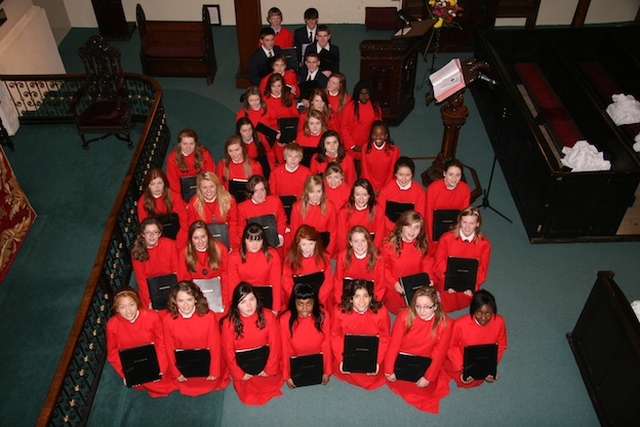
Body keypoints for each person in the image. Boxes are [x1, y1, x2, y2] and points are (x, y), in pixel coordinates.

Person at [384, 286, 452, 413]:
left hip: (425, 359)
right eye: (418, 306)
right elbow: (394, 345)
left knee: (426, 389)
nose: (421, 311)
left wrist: (428, 377)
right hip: (404, 357)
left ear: (435, 306)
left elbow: (439, 354)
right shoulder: (404, 316)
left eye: (427, 307)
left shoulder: (445, 324)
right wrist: (388, 370)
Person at [106, 286, 176, 397]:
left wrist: (161, 367)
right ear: (117, 309)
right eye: (122, 307)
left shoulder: (152, 317)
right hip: (133, 364)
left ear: (137, 303)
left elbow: (163, 341)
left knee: (162, 380)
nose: (128, 311)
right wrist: (125, 373)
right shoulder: (112, 325)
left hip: (155, 359)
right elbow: (112, 352)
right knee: (144, 382)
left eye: (131, 305)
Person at [162, 281, 229, 396]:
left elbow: (215, 345)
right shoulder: (168, 320)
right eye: (181, 301)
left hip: (206, 362)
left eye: (189, 300)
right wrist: (177, 373)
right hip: (183, 364)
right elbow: (169, 348)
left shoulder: (209, 316)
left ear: (196, 299)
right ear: (175, 301)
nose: (185, 305)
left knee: (211, 381)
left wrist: (214, 371)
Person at [221, 282, 283, 405]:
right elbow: (228, 352)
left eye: (252, 299)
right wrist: (240, 374)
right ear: (236, 305)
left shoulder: (268, 316)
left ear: (257, 299)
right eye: (243, 302)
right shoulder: (228, 323)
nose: (249, 305)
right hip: (243, 367)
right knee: (248, 394)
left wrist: (268, 369)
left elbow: (275, 345)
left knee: (270, 383)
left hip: (265, 363)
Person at [330, 279, 390, 390]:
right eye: (357, 296)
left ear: (371, 297)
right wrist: (341, 359)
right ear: (351, 299)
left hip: (372, 351)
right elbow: (335, 335)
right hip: (347, 350)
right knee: (344, 369)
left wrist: (377, 361)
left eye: (365, 296)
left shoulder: (381, 312)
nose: (362, 301)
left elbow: (385, 338)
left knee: (373, 375)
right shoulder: (338, 311)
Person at [432, 206, 491, 312]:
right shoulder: (446, 238)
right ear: (460, 221)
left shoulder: (484, 244)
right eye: (464, 222)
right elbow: (438, 263)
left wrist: (473, 284)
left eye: (471, 223)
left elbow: (482, 269)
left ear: (477, 224)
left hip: (468, 284)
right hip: (447, 280)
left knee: (464, 301)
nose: (467, 227)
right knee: (443, 305)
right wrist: (447, 281)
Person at [445, 289, 507, 388]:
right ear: (473, 311)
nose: (483, 318)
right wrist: (462, 368)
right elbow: (452, 348)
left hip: (484, 359)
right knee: (464, 381)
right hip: (462, 361)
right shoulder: (460, 324)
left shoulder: (499, 322)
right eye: (479, 313)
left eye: (488, 314)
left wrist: (491, 366)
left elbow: (501, 345)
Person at [380, 211, 433, 315]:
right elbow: (382, 267)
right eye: (408, 226)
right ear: (401, 226)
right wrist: (393, 283)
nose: (412, 231)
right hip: (396, 285)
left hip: (416, 283)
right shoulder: (388, 244)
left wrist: (429, 277)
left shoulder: (422, 243)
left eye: (417, 227)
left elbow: (426, 262)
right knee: (400, 312)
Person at [280, 283, 332, 388]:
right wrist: (287, 375)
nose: (304, 308)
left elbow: (326, 345)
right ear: (294, 303)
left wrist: (327, 371)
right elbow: (285, 348)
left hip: (318, 359)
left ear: (314, 303)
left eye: (309, 304)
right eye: (300, 304)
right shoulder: (285, 319)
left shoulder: (323, 316)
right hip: (296, 360)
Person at [177, 221, 229, 321]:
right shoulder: (184, 253)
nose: (200, 241)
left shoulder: (221, 249)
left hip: (219, 296)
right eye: (196, 238)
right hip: (196, 297)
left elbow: (226, 278)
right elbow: (184, 281)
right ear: (191, 239)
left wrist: (225, 302)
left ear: (208, 236)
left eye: (203, 237)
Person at [228, 223, 283, 313]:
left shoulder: (272, 255)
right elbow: (233, 285)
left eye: (258, 240)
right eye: (250, 240)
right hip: (243, 299)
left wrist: (275, 308)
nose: (254, 244)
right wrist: (235, 306)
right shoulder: (234, 256)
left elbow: (276, 282)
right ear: (244, 240)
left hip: (265, 297)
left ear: (263, 240)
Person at [131, 217, 180, 309]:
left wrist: (177, 294)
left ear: (159, 234)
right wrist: (149, 300)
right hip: (150, 288)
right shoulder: (137, 251)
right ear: (143, 234)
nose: (152, 236)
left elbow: (177, 271)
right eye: (148, 233)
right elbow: (141, 279)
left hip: (170, 283)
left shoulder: (170, 245)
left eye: (155, 232)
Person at [282, 225, 333, 309]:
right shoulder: (290, 259)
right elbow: (286, 282)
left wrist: (317, 301)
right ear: (298, 244)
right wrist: (300, 301)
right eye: (304, 244)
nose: (308, 248)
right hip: (298, 300)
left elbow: (328, 282)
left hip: (320, 299)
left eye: (311, 244)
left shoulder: (324, 257)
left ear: (316, 243)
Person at [424, 158, 471, 249]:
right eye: (451, 174)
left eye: (458, 175)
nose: (454, 179)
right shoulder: (433, 189)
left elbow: (464, 215)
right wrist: (432, 238)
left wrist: (458, 235)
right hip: (435, 229)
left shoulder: (465, 189)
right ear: (444, 173)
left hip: (454, 228)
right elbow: (428, 216)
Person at [137, 167, 188, 247]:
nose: (157, 187)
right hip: (156, 238)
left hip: (178, 234)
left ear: (164, 184)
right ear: (148, 186)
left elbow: (184, 222)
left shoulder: (174, 196)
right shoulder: (143, 202)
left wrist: (179, 243)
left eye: (160, 183)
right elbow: (145, 227)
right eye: (153, 184)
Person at [185, 172, 239, 249]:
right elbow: (192, 227)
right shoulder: (194, 202)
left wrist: (232, 245)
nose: (208, 191)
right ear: (199, 189)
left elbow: (233, 225)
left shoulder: (229, 200)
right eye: (204, 187)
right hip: (203, 244)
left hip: (225, 242)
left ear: (217, 186)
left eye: (212, 186)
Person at [333, 226, 386, 305]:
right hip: (348, 299)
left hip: (369, 300)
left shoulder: (378, 258)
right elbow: (338, 282)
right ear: (351, 243)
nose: (360, 245)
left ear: (368, 241)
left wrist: (372, 303)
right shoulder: (342, 256)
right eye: (356, 241)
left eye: (363, 241)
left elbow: (380, 285)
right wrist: (341, 302)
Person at [289, 175, 338, 258]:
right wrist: (301, 253)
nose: (315, 196)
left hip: (323, 250)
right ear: (307, 192)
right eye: (312, 192)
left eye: (318, 191)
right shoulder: (297, 207)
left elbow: (333, 233)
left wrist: (327, 254)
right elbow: (294, 233)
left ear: (323, 192)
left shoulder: (330, 207)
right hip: (303, 250)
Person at [235, 175, 287, 252]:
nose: (260, 194)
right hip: (253, 245)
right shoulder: (242, 208)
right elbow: (241, 229)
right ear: (250, 193)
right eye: (256, 191)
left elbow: (281, 220)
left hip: (274, 244)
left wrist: (280, 236)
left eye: (262, 190)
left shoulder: (275, 201)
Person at [377, 156, 426, 237]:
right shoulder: (386, 190)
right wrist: (396, 229)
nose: (404, 179)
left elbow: (419, 216)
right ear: (395, 174)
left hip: (410, 233)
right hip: (389, 231)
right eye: (400, 175)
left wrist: (407, 231)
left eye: (407, 175)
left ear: (412, 174)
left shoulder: (419, 192)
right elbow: (380, 216)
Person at [165, 129, 216, 203]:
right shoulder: (172, 158)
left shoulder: (204, 154)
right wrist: (182, 205)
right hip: (183, 195)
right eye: (185, 144)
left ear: (196, 143)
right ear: (179, 144)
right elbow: (174, 187)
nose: (188, 147)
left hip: (204, 192)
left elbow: (210, 177)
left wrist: (207, 199)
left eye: (191, 144)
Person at [336, 178, 385, 252]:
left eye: (365, 195)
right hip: (351, 250)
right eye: (358, 194)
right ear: (353, 195)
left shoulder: (377, 210)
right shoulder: (344, 212)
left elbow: (380, 236)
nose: (361, 198)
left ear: (369, 195)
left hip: (371, 249)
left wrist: (372, 252)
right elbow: (342, 238)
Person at [340, 80, 382, 160]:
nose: (364, 96)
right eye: (361, 94)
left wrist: (372, 143)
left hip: (368, 144)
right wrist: (352, 145)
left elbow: (378, 127)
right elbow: (344, 127)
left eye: (367, 94)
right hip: (351, 145)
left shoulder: (375, 107)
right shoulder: (349, 107)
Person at [361, 121, 401, 194]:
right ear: (372, 135)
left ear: (386, 136)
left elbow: (392, 172)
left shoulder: (394, 151)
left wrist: (384, 189)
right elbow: (365, 171)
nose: (378, 137)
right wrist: (371, 188)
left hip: (387, 185)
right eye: (375, 134)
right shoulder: (365, 148)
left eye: (381, 134)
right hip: (369, 185)